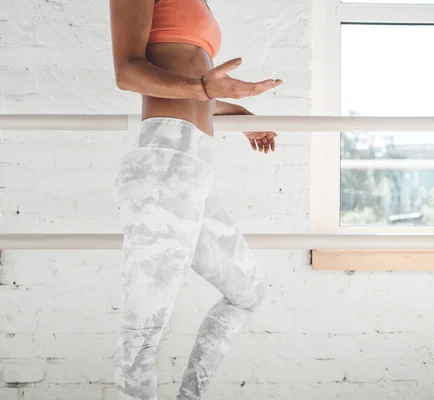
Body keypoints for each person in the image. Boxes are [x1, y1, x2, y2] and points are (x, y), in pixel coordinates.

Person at [108, 0, 282, 399]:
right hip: (163, 166)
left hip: (195, 170)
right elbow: (128, 73)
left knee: (247, 294)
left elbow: (186, 84)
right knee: (143, 331)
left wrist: (236, 110)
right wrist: (204, 87)